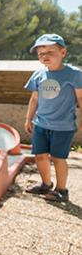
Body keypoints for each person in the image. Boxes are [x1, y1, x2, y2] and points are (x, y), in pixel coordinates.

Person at [24, 33, 82, 203]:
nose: (45, 56)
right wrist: (29, 119)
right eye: (41, 53)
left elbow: (80, 98)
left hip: (63, 126)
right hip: (41, 123)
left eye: (50, 51)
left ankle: (62, 190)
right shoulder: (38, 74)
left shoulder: (74, 75)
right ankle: (46, 184)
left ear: (63, 52)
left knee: (58, 157)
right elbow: (34, 98)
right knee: (40, 155)